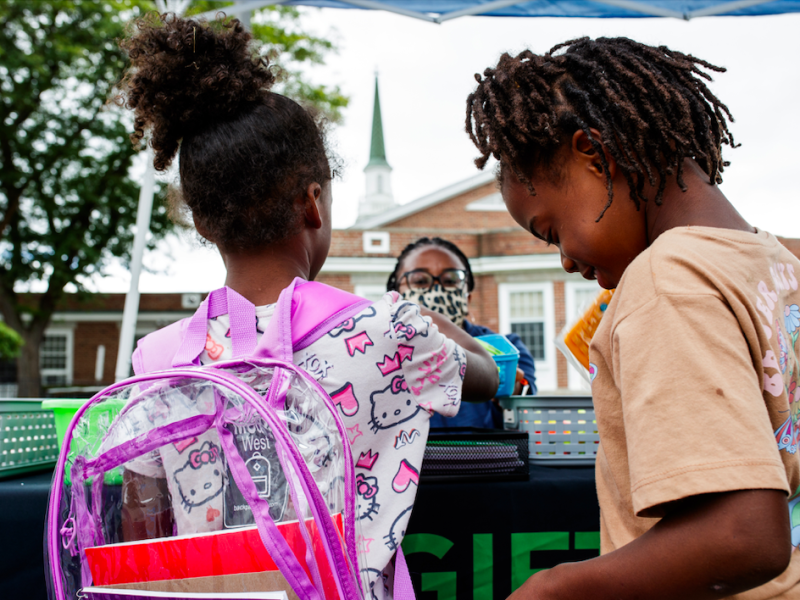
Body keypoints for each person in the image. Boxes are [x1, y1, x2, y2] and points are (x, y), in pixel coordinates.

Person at [115, 13, 498, 599]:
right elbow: (489, 376)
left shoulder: (157, 358)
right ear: (312, 204)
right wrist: (419, 313)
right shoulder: (386, 330)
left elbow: (141, 531)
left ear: (202, 220)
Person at [466, 37, 800, 599]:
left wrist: (556, 588)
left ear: (593, 154)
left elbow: (744, 535)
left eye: (550, 231)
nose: (567, 258)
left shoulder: (666, 280)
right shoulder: (774, 262)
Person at [387, 237, 537, 429]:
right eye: (420, 281)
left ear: (468, 297)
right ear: (395, 294)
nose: (436, 289)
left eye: (450, 280)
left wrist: (512, 393)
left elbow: (528, 404)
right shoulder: (380, 351)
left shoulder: (507, 350)